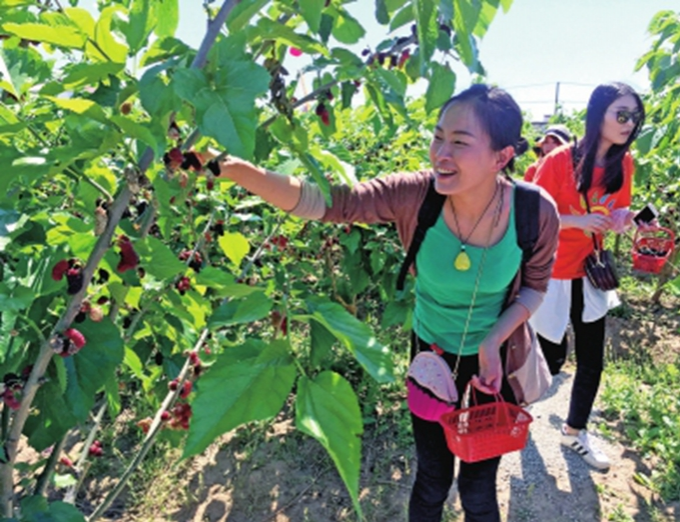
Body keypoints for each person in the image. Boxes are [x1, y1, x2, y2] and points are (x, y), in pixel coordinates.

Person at [195, 84, 560, 522]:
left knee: (478, 487)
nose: (440, 152)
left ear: (501, 157)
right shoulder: (416, 194)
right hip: (431, 355)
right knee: (432, 479)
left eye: (459, 143)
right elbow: (332, 203)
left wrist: (492, 341)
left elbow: (535, 287)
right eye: (438, 136)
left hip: (494, 361)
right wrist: (236, 170)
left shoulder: (534, 211)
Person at [530, 82, 645, 471]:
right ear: (600, 115)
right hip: (552, 271)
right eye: (622, 114)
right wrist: (578, 220)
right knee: (546, 355)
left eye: (634, 116)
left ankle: (574, 431)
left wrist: (623, 222)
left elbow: (618, 210)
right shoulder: (560, 160)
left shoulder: (623, 163)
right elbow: (531, 216)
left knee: (592, 358)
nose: (629, 123)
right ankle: (514, 411)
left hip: (591, 270)